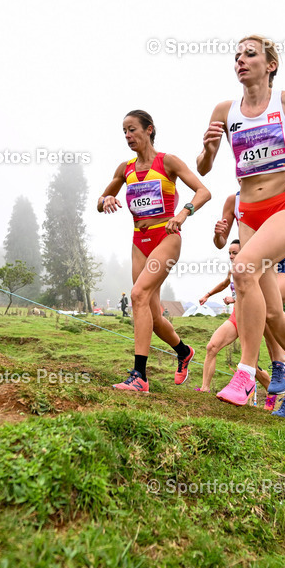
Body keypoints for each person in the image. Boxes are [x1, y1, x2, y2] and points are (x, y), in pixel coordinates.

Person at [196, 35, 285, 409]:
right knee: (272, 310)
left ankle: (245, 374)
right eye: (236, 56)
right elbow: (204, 167)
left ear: (270, 64)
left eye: (250, 54)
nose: (240, 61)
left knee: (243, 270)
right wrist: (210, 148)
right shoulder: (224, 110)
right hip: (249, 213)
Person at [98, 110, 211, 392]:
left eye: (132, 129)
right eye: (124, 131)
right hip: (139, 241)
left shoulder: (167, 161)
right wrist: (107, 198)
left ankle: (140, 376)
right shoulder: (124, 169)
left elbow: (203, 191)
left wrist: (183, 213)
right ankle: (184, 351)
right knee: (151, 312)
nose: (127, 136)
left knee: (137, 294)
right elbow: (99, 202)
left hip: (167, 236)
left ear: (150, 130)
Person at [210, 190, 285, 412]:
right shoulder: (232, 200)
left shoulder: (278, 185)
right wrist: (218, 235)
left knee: (260, 303)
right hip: (263, 267)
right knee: (266, 311)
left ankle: (277, 365)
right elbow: (221, 242)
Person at [198, 239, 271, 396]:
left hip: (250, 319)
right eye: (229, 253)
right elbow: (225, 283)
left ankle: (275, 395)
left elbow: (258, 295)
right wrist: (208, 295)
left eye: (235, 253)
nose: (231, 256)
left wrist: (235, 299)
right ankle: (205, 388)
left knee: (252, 366)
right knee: (212, 347)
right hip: (236, 316)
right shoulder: (233, 270)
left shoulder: (254, 269)